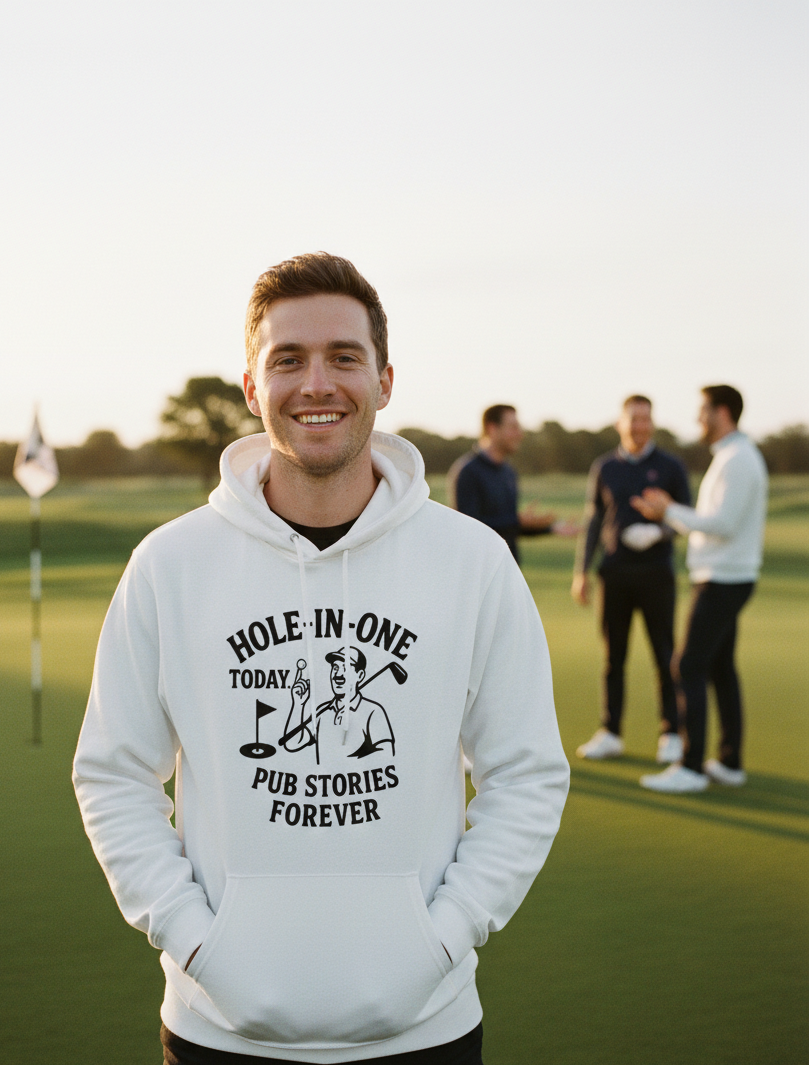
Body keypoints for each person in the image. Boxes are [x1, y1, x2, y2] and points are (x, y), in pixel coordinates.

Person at [72, 252, 569, 1063]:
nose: (317, 383)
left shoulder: (472, 561)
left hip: (425, 1029)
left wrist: (441, 939)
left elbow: (526, 774)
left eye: (344, 356)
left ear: (384, 380)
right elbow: (113, 773)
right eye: (288, 359)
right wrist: (199, 943)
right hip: (216, 1030)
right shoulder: (170, 563)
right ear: (250, 386)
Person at [635, 385, 768, 794]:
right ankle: (728, 762)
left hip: (723, 578)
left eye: (703, 410)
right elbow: (713, 520)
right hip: (724, 576)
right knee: (719, 667)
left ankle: (691, 767)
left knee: (687, 665)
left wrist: (668, 510)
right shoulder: (731, 456)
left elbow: (723, 525)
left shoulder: (738, 459)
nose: (698, 418)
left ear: (722, 412)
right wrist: (669, 511)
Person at [572, 395, 692, 763]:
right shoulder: (605, 466)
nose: (640, 426)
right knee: (614, 657)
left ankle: (671, 733)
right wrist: (582, 571)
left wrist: (660, 533)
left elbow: (686, 517)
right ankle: (611, 732)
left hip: (656, 574)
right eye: (633, 419)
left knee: (664, 655)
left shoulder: (670, 466)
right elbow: (594, 519)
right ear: (621, 423)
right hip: (615, 574)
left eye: (646, 419)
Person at [448, 404, 574, 564]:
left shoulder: (509, 472)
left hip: (509, 569)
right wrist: (517, 520)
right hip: (480, 573)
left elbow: (508, 528)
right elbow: (469, 528)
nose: (520, 434)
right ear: (492, 428)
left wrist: (550, 528)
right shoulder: (468, 472)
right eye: (513, 427)